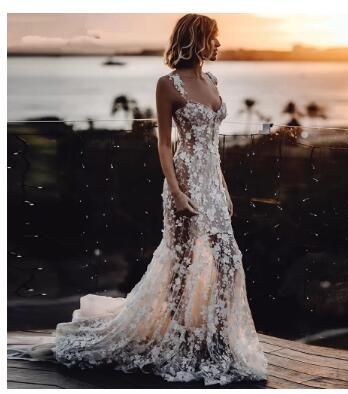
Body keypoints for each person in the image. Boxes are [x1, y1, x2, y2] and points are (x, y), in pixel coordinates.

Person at [7, 13, 268, 387]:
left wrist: (223, 187)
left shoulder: (212, 80)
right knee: (181, 263)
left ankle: (217, 339)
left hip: (211, 182)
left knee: (227, 262)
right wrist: (177, 192)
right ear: (197, 39)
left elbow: (212, 145)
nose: (219, 45)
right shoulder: (168, 84)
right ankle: (180, 342)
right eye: (215, 37)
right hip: (185, 182)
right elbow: (164, 142)